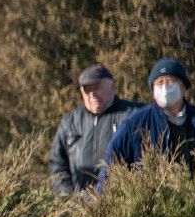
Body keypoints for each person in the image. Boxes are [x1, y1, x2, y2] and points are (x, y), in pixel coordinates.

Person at [103, 58, 195, 177]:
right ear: (153, 90)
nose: (165, 88)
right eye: (159, 83)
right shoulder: (136, 122)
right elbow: (112, 160)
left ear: (183, 87)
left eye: (170, 81)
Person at [49, 64, 137, 196]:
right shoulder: (70, 122)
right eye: (87, 89)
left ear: (112, 87)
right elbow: (57, 164)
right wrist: (69, 198)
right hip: (79, 204)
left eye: (97, 87)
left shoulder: (133, 116)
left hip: (122, 203)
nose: (92, 94)